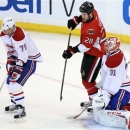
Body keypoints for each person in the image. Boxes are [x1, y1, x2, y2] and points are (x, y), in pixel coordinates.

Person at [62, 1, 106, 107]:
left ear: (90, 13)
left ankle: (97, 102)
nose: (83, 16)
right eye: (82, 14)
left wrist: (71, 51)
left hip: (96, 54)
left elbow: (86, 46)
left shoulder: (92, 28)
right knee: (86, 79)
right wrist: (76, 20)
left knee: (87, 81)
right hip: (90, 53)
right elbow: (83, 18)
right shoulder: (93, 12)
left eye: (84, 14)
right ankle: (93, 99)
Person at [0, 17, 43, 120]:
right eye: (4, 29)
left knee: (15, 83)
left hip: (29, 60)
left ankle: (21, 108)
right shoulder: (3, 35)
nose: (5, 31)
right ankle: (16, 103)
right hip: (19, 57)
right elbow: (10, 51)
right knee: (8, 83)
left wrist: (17, 69)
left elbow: (23, 55)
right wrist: (10, 63)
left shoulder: (19, 35)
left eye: (7, 29)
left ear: (13, 27)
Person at [92, 36, 130, 129]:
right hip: (116, 86)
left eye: (111, 46)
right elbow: (107, 73)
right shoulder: (107, 54)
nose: (109, 48)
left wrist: (106, 95)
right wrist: (103, 81)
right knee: (107, 107)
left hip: (122, 88)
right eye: (108, 45)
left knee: (114, 108)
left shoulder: (115, 59)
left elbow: (115, 81)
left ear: (117, 46)